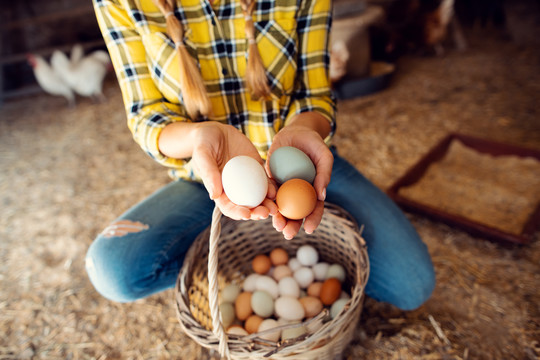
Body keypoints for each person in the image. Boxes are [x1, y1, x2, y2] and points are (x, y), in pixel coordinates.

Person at [86, 0, 435, 311]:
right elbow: (146, 117)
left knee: (413, 284)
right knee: (115, 269)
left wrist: (305, 131)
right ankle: (251, 243)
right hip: (207, 181)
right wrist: (200, 137)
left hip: (299, 167)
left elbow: (315, 96)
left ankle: (271, 244)